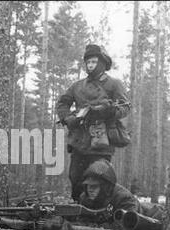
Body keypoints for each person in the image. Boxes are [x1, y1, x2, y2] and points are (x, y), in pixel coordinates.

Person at [56, 44, 131, 202]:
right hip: (79, 142)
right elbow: (62, 103)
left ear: (102, 63)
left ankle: (99, 216)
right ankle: (78, 213)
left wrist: (110, 112)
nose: (90, 65)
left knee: (99, 180)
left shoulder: (114, 84)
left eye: (94, 62)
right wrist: (68, 118)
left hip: (101, 142)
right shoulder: (77, 86)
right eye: (88, 62)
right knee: (75, 177)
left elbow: (125, 107)